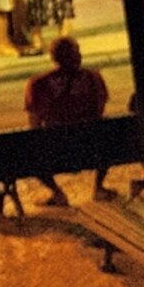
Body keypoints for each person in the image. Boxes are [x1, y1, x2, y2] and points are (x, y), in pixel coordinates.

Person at [22, 36, 111, 205]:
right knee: (106, 132)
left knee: (29, 148)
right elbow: (99, 112)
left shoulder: (38, 84)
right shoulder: (93, 78)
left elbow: (34, 125)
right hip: (93, 148)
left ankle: (57, 193)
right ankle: (99, 187)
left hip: (55, 153)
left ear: (54, 58)